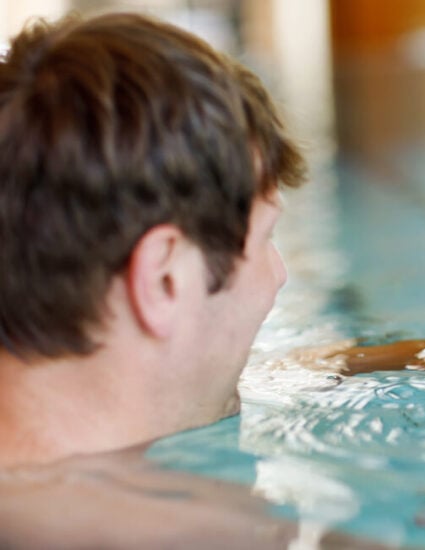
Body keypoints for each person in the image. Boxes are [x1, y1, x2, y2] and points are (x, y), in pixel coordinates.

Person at [0, 12, 305, 467]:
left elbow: (281, 373)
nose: (278, 276)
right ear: (164, 278)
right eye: (264, 238)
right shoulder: (167, 528)